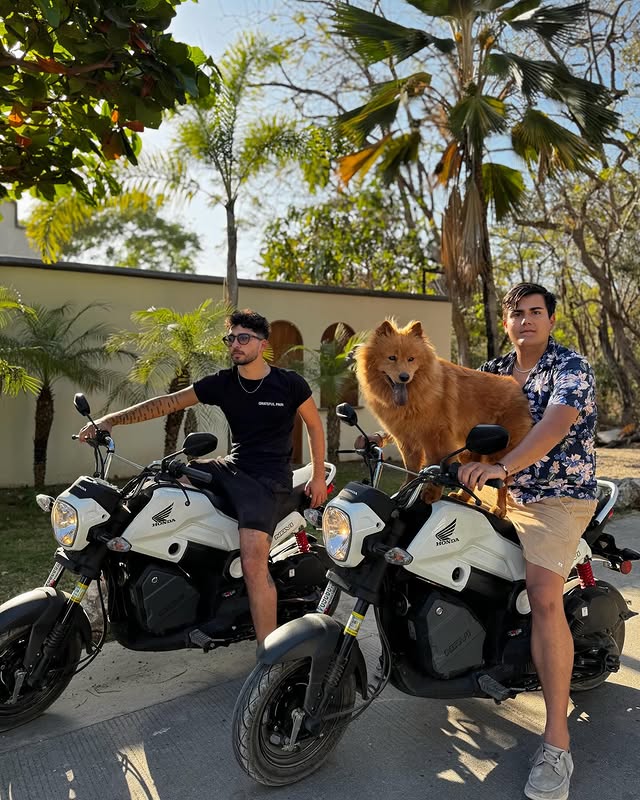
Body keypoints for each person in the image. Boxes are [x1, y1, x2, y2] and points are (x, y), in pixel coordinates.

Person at [79, 309, 328, 644]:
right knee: (157, 486)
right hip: (231, 466)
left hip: (267, 481)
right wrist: (111, 420)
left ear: (262, 344)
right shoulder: (224, 382)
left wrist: (317, 475)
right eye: (231, 338)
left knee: (254, 564)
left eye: (244, 338)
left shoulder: (289, 384)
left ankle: (269, 653)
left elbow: (314, 426)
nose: (235, 344)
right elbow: (168, 403)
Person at [457, 283, 597, 800]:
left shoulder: (570, 367)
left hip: (557, 495)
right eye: (517, 313)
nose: (526, 320)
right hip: (498, 490)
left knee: (542, 594)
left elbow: (555, 426)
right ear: (507, 321)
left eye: (536, 312)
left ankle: (557, 742)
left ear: (551, 320)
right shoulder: (493, 371)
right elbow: (452, 413)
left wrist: (505, 467)